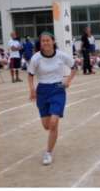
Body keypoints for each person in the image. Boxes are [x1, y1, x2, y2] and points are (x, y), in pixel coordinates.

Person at [28, 32, 77, 165]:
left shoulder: (61, 55)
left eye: (48, 40)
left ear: (53, 41)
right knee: (46, 126)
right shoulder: (36, 58)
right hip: (42, 91)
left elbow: (74, 67)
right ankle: (52, 134)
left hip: (57, 89)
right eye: (43, 41)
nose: (45, 43)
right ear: (40, 43)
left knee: (53, 123)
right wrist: (32, 90)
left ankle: (48, 152)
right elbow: (30, 75)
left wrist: (68, 81)